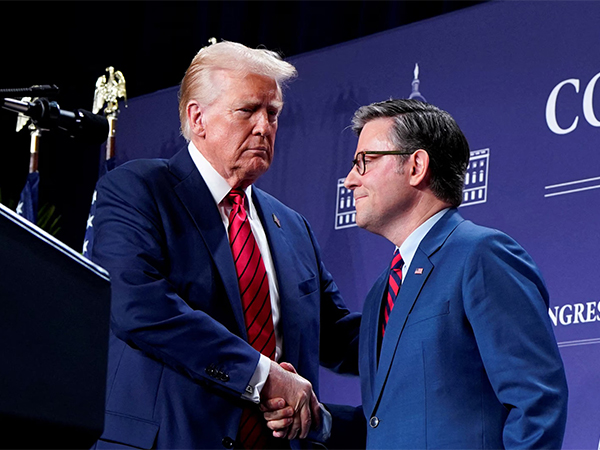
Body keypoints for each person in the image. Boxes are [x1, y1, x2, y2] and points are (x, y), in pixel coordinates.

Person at [89, 40, 359, 449]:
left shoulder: (292, 227)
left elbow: (337, 336)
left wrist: (425, 326)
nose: (264, 127)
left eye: (273, 114)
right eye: (247, 110)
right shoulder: (138, 190)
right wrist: (263, 377)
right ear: (198, 119)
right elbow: (140, 307)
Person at [266, 99, 568, 449]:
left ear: (416, 166)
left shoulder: (482, 255)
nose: (350, 180)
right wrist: (320, 421)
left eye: (365, 161)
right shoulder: (384, 289)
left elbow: (537, 403)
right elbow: (387, 426)